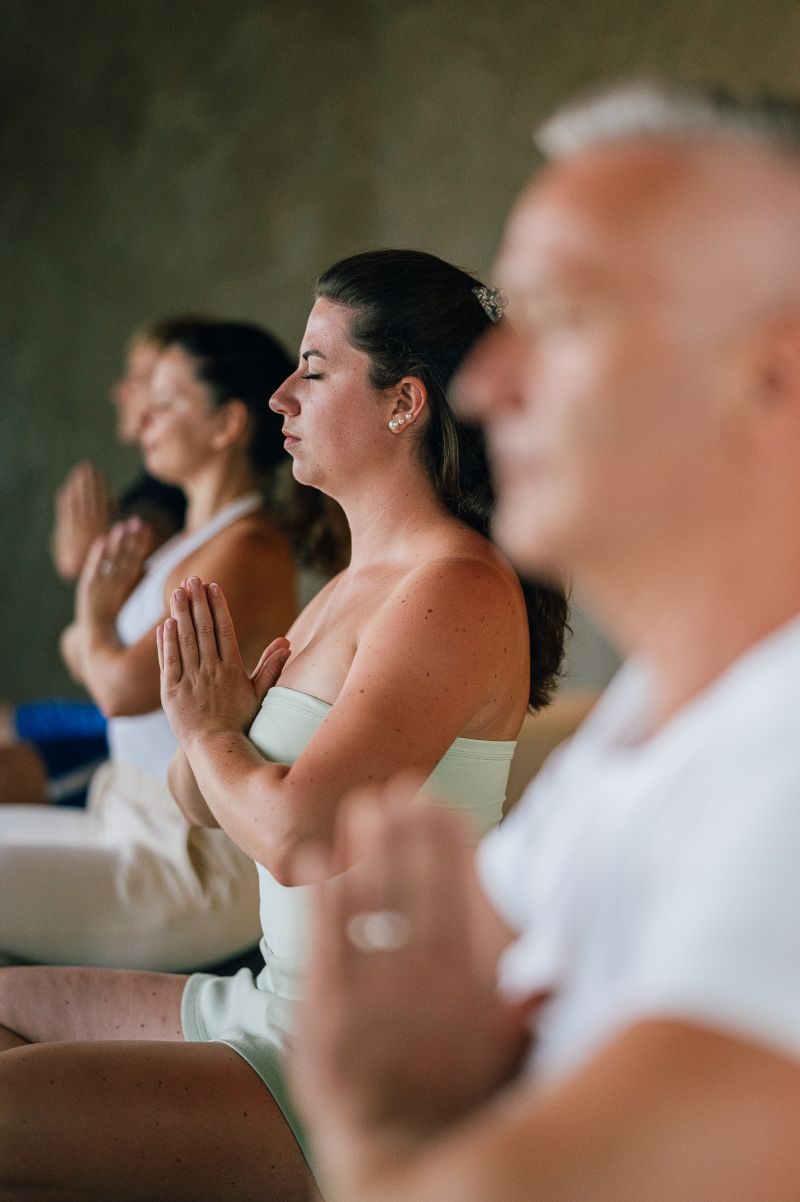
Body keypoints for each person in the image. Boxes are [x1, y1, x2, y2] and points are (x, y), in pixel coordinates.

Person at [280, 82, 800, 1202]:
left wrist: (377, 1129)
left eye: (559, 319)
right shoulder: (671, 701)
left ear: (770, 377)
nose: (483, 381)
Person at [0, 249, 567, 1201]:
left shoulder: (455, 589)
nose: (278, 397)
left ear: (404, 403)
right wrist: (211, 728)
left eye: (312, 367)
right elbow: (202, 803)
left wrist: (215, 734)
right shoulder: (348, 590)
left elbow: (300, 838)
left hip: (354, 1067)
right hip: (268, 1002)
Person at [0, 318, 320, 972]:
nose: (142, 414)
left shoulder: (247, 547)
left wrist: (92, 621)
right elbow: (93, 661)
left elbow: (118, 689)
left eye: (166, 400)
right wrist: (93, 637)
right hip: (122, 812)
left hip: (187, 857)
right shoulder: (186, 542)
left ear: (228, 425)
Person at [0, 316, 195, 809]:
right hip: (119, 716)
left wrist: (85, 562)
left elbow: (106, 670)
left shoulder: (171, 511)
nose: (122, 391)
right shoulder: (154, 494)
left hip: (141, 745)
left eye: (143, 378)